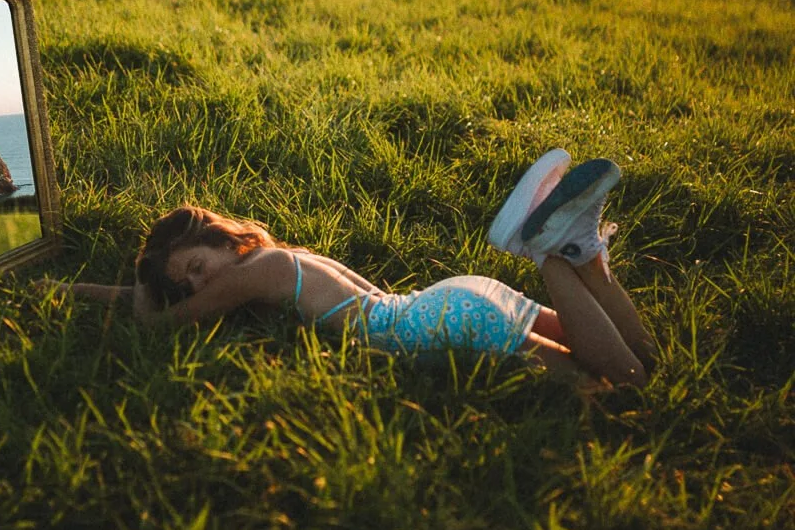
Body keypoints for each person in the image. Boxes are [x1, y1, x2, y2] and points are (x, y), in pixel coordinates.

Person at [62, 151, 658, 387]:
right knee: (642, 362)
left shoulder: (256, 272)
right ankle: (581, 248)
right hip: (451, 302)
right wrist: (71, 290)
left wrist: (147, 287)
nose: (196, 286)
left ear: (226, 242)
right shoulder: (281, 260)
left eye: (195, 266)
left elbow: (160, 326)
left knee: (620, 386)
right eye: (184, 285)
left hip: (445, 324)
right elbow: (164, 301)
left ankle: (546, 250)